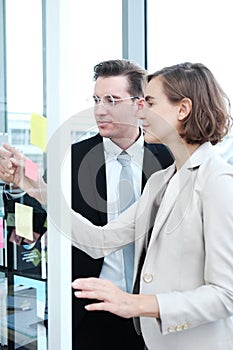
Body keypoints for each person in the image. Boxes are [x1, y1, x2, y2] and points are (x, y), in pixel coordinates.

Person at [0, 59, 174, 350]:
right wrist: (15, 184)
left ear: (139, 105)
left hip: (151, 309)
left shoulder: (168, 159)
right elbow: (31, 228)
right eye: (96, 99)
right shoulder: (71, 158)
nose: (99, 110)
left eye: (111, 100)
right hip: (86, 310)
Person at [69, 62, 233, 350]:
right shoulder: (160, 181)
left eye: (151, 103)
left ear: (183, 109)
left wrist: (137, 303)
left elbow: (226, 294)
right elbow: (100, 241)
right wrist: (35, 187)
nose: (140, 111)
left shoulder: (217, 179)